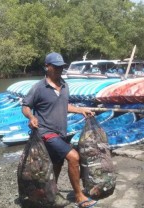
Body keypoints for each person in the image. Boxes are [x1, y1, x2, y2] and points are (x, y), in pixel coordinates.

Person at [21, 52, 98, 208]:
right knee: (74, 157)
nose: (59, 70)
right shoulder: (38, 87)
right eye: (55, 67)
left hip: (61, 132)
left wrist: (81, 110)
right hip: (45, 132)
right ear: (47, 67)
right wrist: (31, 117)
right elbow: (26, 106)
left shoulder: (64, 85)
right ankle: (79, 196)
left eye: (61, 67)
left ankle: (50, 193)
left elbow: (64, 105)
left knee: (57, 163)